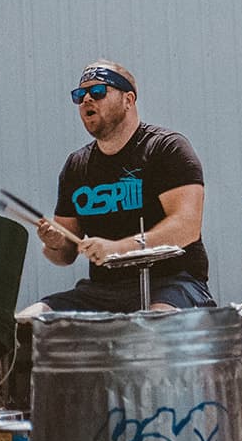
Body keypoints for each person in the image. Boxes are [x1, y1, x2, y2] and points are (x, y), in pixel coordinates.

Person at [26, 61, 213, 314]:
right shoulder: (76, 165)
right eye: (80, 95)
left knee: (154, 326)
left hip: (174, 283)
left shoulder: (167, 148)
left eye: (99, 92)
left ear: (128, 99)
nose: (86, 100)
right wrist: (54, 244)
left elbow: (186, 227)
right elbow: (65, 255)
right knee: (30, 323)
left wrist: (116, 249)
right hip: (102, 291)